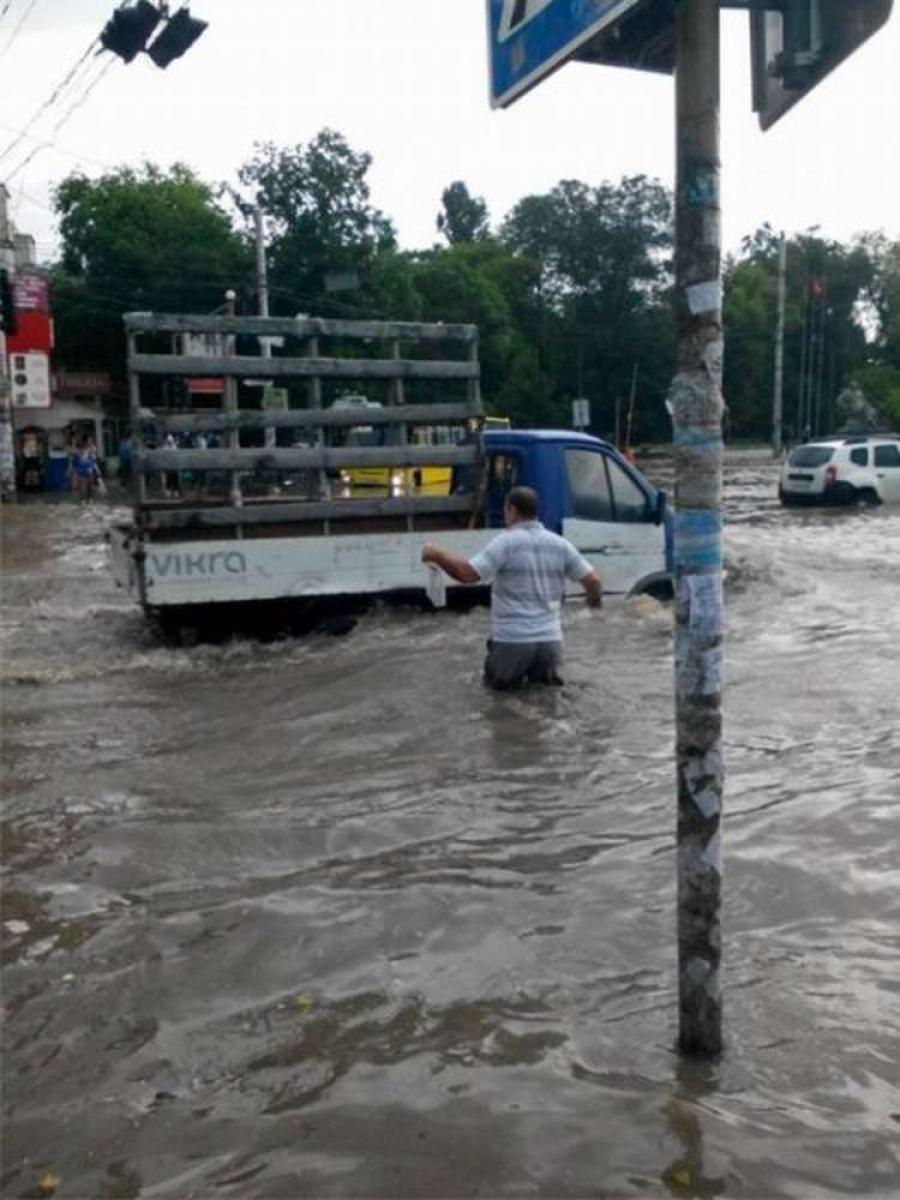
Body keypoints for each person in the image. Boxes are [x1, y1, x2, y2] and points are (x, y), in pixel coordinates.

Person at [421, 485, 602, 690]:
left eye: (506, 509)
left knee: (498, 705)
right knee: (545, 703)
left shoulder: (506, 543)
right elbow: (593, 581)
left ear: (512, 510)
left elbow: (468, 574)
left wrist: (437, 555)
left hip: (513, 642)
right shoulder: (560, 545)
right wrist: (593, 605)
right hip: (550, 643)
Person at [70, 436, 98, 504]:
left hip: (89, 470)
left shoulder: (91, 450)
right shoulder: (77, 453)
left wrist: (95, 468)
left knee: (90, 486)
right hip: (81, 471)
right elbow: (74, 463)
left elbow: (93, 460)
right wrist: (74, 471)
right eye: (88, 442)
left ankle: (90, 498)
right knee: (83, 486)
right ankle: (83, 499)